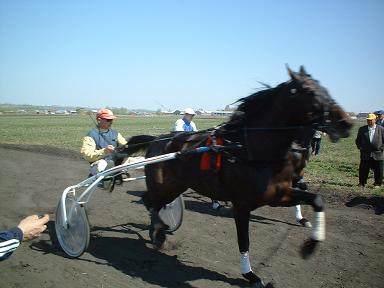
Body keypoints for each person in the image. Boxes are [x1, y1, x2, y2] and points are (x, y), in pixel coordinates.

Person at [80, 108, 128, 177]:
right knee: (102, 163)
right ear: (99, 120)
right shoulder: (90, 136)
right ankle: (102, 180)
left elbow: (125, 145)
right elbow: (88, 156)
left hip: (115, 165)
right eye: (108, 120)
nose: (111, 122)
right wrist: (105, 151)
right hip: (98, 165)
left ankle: (119, 173)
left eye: (112, 120)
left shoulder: (116, 134)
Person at [355, 113, 384, 187]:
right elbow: (358, 140)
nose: (369, 121)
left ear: (375, 120)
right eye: (368, 120)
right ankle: (362, 183)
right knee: (363, 169)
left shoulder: (381, 129)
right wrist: (360, 147)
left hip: (378, 153)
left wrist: (381, 148)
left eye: (371, 120)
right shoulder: (362, 129)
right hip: (365, 153)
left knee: (378, 170)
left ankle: (377, 183)